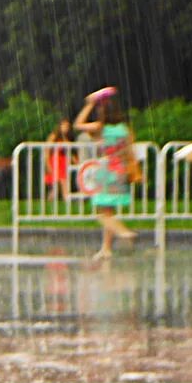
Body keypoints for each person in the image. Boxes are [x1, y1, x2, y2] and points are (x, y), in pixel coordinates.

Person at [73, 87, 139, 261]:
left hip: (106, 170)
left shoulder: (101, 128)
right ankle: (106, 248)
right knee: (109, 211)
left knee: (101, 213)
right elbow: (130, 152)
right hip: (121, 171)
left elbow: (78, 124)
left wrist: (90, 104)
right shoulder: (125, 130)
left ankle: (124, 232)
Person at [45, 117, 74, 201]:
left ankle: (65, 197)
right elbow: (47, 150)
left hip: (63, 161)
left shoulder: (67, 138)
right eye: (64, 125)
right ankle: (64, 198)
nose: (66, 128)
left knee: (63, 181)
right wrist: (48, 164)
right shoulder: (54, 136)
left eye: (67, 126)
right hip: (55, 160)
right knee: (57, 182)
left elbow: (69, 151)